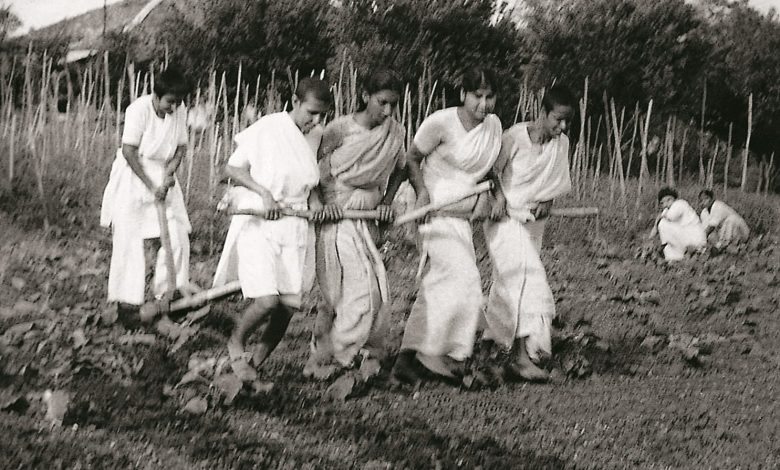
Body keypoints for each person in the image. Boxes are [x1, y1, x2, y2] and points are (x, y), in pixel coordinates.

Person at [212, 78, 331, 381]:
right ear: (295, 101)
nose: (316, 120)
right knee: (267, 300)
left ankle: (255, 363)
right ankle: (236, 341)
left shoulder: (315, 135)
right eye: (311, 112)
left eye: (322, 115)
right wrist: (264, 194)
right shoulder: (269, 127)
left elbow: (310, 181)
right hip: (261, 222)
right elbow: (232, 168)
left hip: (295, 224)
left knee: (288, 307)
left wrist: (316, 203)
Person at [391, 67, 503, 384]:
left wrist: (496, 196)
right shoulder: (440, 122)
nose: (483, 104)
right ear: (463, 94)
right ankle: (433, 355)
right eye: (477, 96)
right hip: (432, 213)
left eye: (490, 97)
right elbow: (412, 158)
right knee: (463, 278)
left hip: (461, 217)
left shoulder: (493, 126)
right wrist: (422, 193)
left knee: (441, 283)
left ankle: (407, 359)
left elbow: (487, 171)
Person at [303, 71, 407, 379]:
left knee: (373, 289)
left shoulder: (394, 132)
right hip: (338, 218)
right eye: (382, 102)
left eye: (393, 104)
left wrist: (387, 201)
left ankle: (340, 353)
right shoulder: (339, 129)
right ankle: (336, 355)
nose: (388, 111)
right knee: (357, 290)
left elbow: (400, 169)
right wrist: (323, 204)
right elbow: (311, 169)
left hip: (367, 217)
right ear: (364, 96)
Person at [482, 86, 576, 381]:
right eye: (558, 119)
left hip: (533, 224)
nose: (562, 126)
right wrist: (498, 199)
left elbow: (554, 184)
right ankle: (521, 358)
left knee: (508, 283)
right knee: (530, 280)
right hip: (505, 220)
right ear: (543, 112)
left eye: (567, 121)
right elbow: (489, 171)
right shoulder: (514, 137)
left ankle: (498, 345)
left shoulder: (561, 144)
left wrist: (548, 201)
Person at [100, 65, 195, 320]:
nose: (174, 107)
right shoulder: (138, 110)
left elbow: (181, 148)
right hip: (134, 175)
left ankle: (168, 295)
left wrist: (170, 172)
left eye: (178, 102)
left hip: (162, 174)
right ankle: (126, 304)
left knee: (177, 235)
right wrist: (151, 186)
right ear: (156, 95)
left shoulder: (179, 110)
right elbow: (129, 151)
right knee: (128, 238)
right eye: (170, 101)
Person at [649, 187, 706, 261]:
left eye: (668, 200)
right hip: (685, 237)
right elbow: (658, 223)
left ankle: (695, 250)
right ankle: (679, 257)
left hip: (695, 237)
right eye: (662, 203)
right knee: (668, 250)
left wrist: (659, 219)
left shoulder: (680, 203)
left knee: (662, 224)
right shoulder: (667, 210)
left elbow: (671, 217)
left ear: (674, 199)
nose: (665, 204)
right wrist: (653, 230)